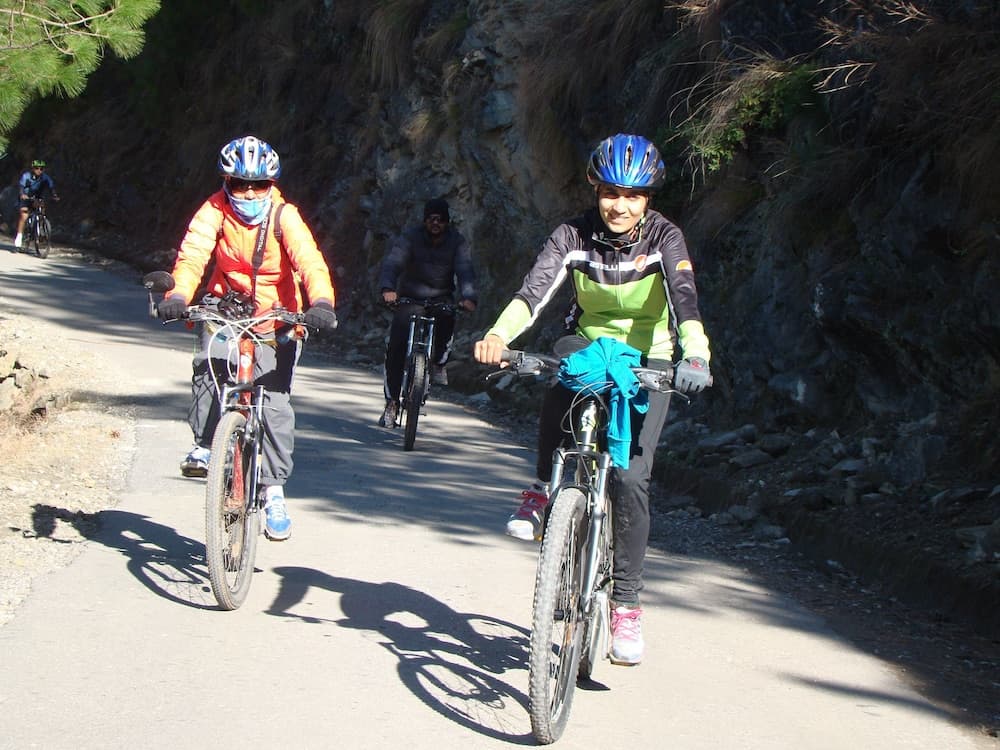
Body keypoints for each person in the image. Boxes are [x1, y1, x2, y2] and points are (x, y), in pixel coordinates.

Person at [473, 133, 713, 665]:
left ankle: (626, 605)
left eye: (633, 196)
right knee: (564, 371)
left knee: (629, 479)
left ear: (648, 198)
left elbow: (685, 301)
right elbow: (533, 292)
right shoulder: (572, 235)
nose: (619, 206)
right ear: (594, 189)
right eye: (610, 193)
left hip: (650, 358)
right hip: (588, 343)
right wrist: (498, 335)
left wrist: (695, 356)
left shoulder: (665, 238)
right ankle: (543, 489)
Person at [156, 135, 338, 541]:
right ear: (227, 183)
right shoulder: (214, 210)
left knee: (273, 402)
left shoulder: (284, 216)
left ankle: (274, 491)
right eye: (240, 184)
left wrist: (322, 303)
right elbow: (192, 255)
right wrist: (179, 297)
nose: (250, 193)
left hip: (276, 315)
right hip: (227, 307)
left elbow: (309, 262)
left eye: (259, 185)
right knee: (208, 369)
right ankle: (207, 444)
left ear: (272, 185)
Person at [377, 198, 477, 427]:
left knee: (447, 318)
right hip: (411, 297)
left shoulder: (457, 242)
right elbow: (393, 263)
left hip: (441, 297)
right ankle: (391, 403)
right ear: (424, 220)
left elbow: (465, 270)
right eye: (431, 219)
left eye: (440, 219)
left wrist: (469, 297)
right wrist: (388, 288)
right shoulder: (410, 237)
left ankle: (439, 363)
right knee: (396, 346)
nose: (435, 223)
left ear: (447, 222)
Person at [14, 160, 59, 248]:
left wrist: (54, 195)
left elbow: (51, 187)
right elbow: (21, 187)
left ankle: (41, 225)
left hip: (37, 197)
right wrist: (22, 194)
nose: (39, 170)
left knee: (41, 207)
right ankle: (19, 236)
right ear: (32, 168)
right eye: (36, 168)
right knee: (24, 215)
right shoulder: (26, 176)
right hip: (26, 196)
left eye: (41, 169)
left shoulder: (45, 177)